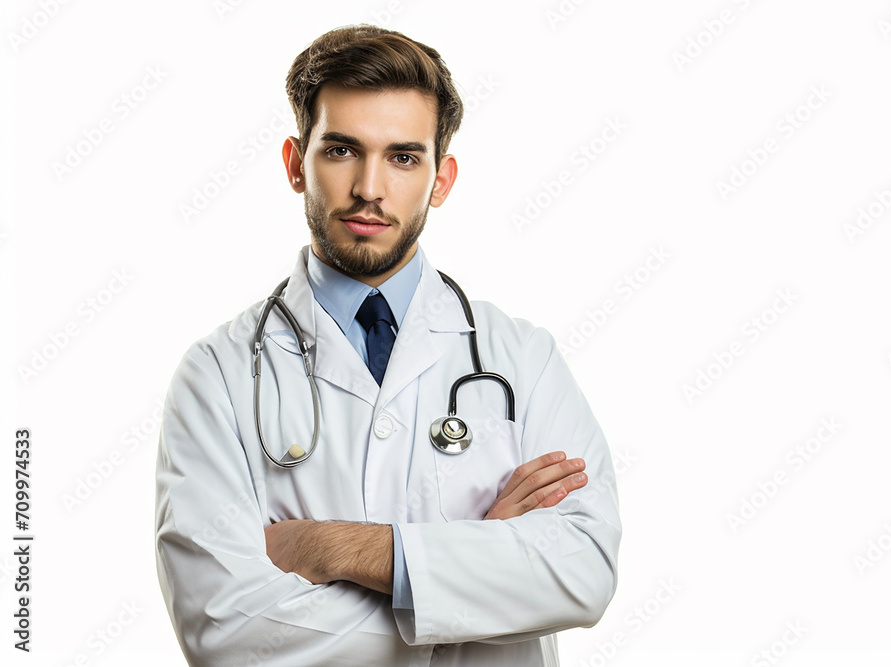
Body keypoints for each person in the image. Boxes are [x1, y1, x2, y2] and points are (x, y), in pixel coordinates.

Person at [154, 24, 621, 666]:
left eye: (404, 157)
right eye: (342, 150)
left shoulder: (522, 360)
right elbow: (227, 631)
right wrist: (469, 570)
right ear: (296, 164)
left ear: (441, 179)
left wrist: (334, 549)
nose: (370, 188)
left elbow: (583, 571)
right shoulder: (219, 375)